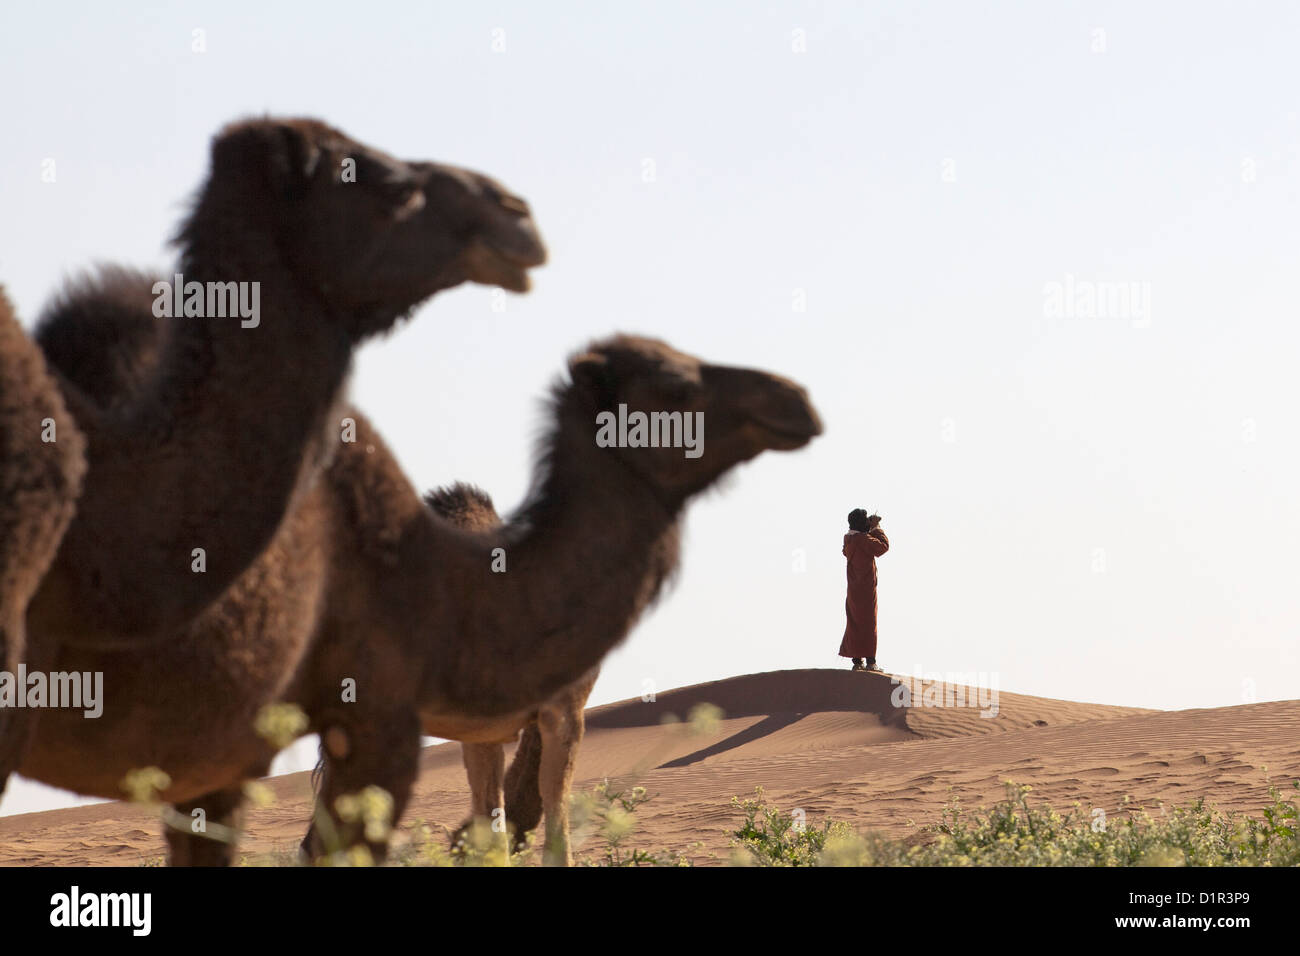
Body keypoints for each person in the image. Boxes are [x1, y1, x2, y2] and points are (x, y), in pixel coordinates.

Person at [839, 508, 889, 672]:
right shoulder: (863, 539)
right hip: (866, 589)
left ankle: (857, 661)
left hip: (853, 589)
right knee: (869, 623)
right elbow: (883, 547)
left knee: (854, 622)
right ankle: (871, 662)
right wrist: (876, 527)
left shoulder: (849, 540)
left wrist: (870, 528)